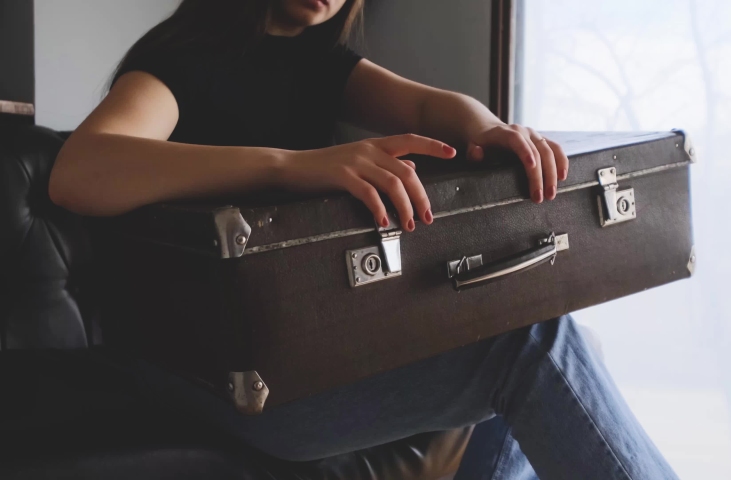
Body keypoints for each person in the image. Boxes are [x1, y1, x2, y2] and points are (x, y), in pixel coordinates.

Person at [48, 1, 679, 478]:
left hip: (305, 351)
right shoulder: (180, 60)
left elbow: (433, 109)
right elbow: (81, 171)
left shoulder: (316, 59)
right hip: (215, 373)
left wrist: (493, 128)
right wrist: (288, 164)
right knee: (531, 342)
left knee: (545, 328)